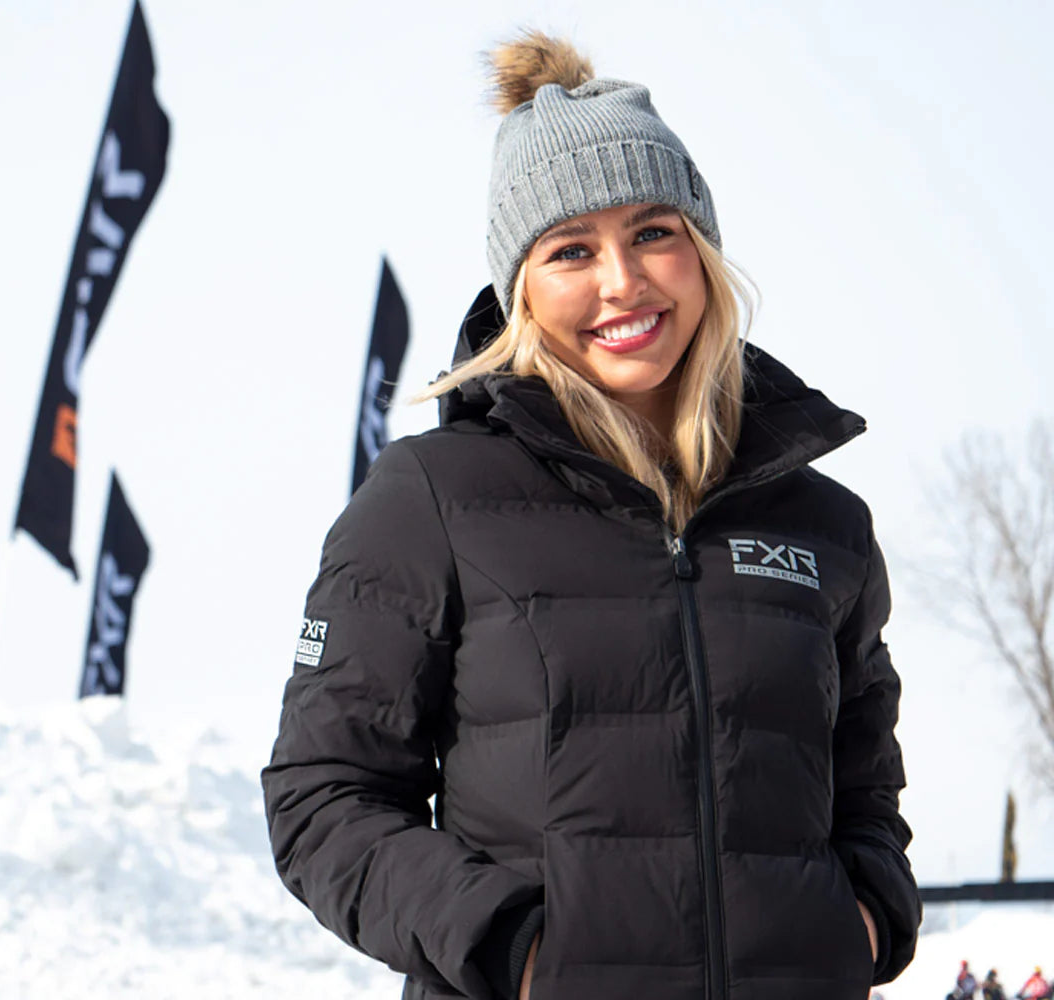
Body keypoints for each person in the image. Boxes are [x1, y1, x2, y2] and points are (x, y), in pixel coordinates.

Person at [262, 30, 921, 1000]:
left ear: (701, 252)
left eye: (653, 232)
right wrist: (517, 952)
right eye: (571, 250)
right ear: (520, 289)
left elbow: (864, 791)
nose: (622, 281)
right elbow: (323, 797)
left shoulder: (823, 524)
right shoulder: (430, 497)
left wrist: (861, 921)